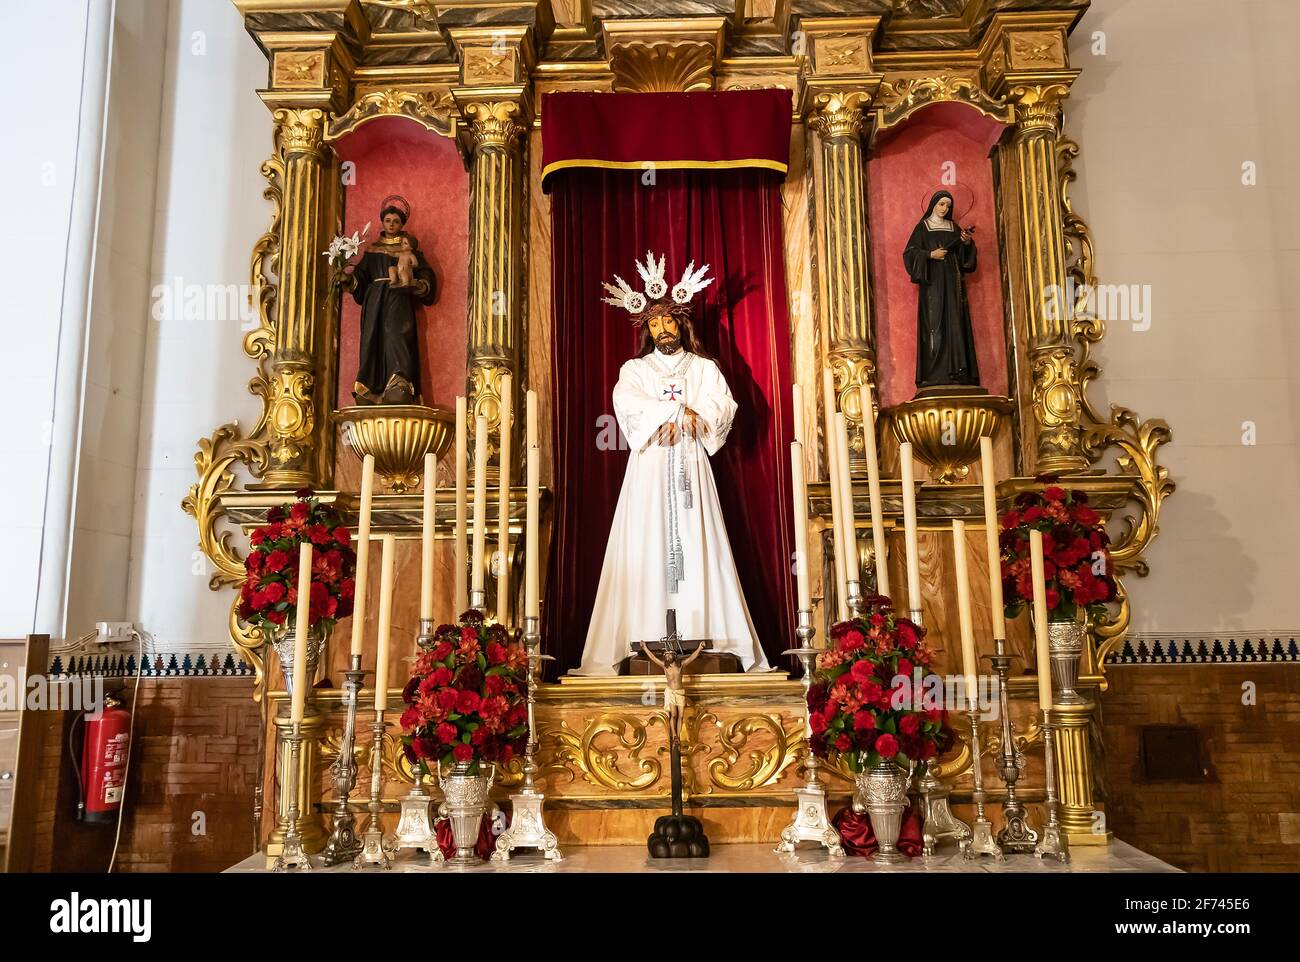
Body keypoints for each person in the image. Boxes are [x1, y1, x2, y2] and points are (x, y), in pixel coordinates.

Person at [573, 253, 770, 676]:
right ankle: (643, 634)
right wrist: (677, 414)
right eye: (655, 324)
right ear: (647, 329)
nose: (663, 329)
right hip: (648, 469)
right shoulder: (635, 369)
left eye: (669, 321)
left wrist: (693, 417)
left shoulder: (703, 368)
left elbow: (722, 405)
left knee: (697, 537)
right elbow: (627, 405)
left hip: (691, 467)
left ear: (683, 324)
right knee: (645, 540)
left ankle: (703, 631)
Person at [344, 194, 437, 404]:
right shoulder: (372, 250)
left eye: (396, 221)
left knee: (397, 335)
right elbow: (361, 276)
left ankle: (400, 383)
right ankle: (368, 387)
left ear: (402, 223)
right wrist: (349, 279)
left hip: (398, 297)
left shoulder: (409, 249)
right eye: (388, 221)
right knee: (372, 339)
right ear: (382, 222)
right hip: (375, 301)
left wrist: (421, 284)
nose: (392, 224)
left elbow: (425, 273)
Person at [903, 190, 980, 390]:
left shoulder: (953, 227)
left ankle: (958, 370)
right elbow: (910, 254)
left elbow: (965, 260)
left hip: (953, 284)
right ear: (933, 204)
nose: (944, 209)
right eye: (941, 204)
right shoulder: (923, 228)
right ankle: (933, 372)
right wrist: (930, 255)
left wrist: (966, 242)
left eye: (948, 205)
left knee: (955, 322)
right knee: (934, 325)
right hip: (933, 286)